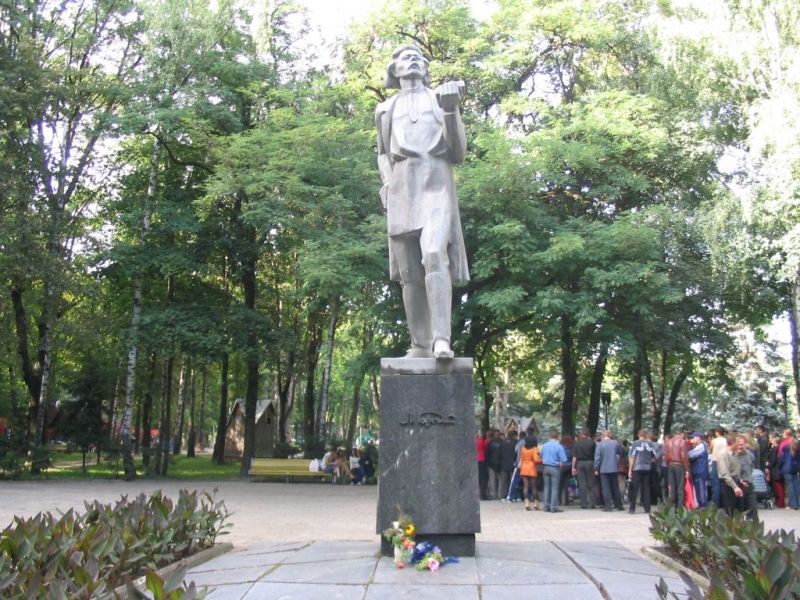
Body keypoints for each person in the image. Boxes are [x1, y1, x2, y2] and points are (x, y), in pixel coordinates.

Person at [375, 45, 469, 359]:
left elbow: (457, 153)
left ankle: (441, 340)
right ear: (395, 70)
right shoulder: (385, 109)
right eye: (404, 57)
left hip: (436, 185)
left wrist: (450, 110)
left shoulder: (440, 98)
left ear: (426, 69)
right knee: (408, 273)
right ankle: (419, 345)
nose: (413, 58)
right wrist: (387, 181)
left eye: (419, 56)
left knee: (433, 253)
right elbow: (381, 153)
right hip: (402, 187)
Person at [718, 435, 758, 520]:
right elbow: (725, 473)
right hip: (732, 485)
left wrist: (740, 480)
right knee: (733, 511)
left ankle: (753, 528)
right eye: (738, 444)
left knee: (752, 508)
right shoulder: (726, 454)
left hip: (745, 484)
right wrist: (736, 486)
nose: (740, 446)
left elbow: (750, 468)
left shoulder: (748, 454)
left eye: (742, 444)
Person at [594, 431, 624, 511]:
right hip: (614, 468)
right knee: (615, 487)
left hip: (603, 469)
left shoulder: (600, 444)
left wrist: (596, 468)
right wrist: (617, 459)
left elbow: (597, 458)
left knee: (605, 488)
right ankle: (619, 505)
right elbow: (621, 452)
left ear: (603, 436)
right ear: (610, 435)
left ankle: (608, 506)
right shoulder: (615, 443)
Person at [628, 429, 656, 514]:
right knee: (646, 488)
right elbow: (654, 457)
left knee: (635, 488)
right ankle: (647, 508)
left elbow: (632, 457)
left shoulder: (635, 443)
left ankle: (632, 508)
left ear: (638, 435)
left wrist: (630, 469)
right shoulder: (650, 444)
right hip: (647, 468)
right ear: (646, 435)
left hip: (637, 468)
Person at [540, 429, 568, 513]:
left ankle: (546, 506)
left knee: (546, 487)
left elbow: (541, 456)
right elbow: (563, 459)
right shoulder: (559, 446)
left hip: (545, 468)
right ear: (557, 437)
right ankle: (553, 507)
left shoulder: (544, 445)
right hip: (555, 468)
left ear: (550, 436)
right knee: (555, 488)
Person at [664, 431, 690, 510]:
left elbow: (666, 455)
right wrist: (686, 469)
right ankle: (679, 509)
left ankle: (671, 508)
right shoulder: (682, 442)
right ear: (681, 434)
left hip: (671, 464)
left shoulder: (669, 441)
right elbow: (683, 456)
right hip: (679, 465)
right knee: (680, 488)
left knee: (672, 487)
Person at [572, 428, 596, 509]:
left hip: (580, 463)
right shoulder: (592, 443)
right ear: (588, 434)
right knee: (591, 483)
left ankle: (583, 503)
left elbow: (574, 457)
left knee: (582, 484)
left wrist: (573, 467)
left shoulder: (577, 443)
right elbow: (595, 455)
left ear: (581, 434)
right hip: (590, 463)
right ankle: (592, 503)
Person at [519, 433, 542, 511]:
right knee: (533, 487)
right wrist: (542, 460)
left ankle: (526, 503)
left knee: (525, 486)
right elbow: (536, 460)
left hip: (524, 468)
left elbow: (521, 459)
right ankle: (536, 503)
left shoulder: (523, 448)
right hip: (531, 468)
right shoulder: (534, 449)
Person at [777, 428, 799, 510]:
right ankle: (797, 503)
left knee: (790, 487)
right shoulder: (796, 443)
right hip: (795, 467)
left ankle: (792, 505)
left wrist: (779, 466)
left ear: (786, 434)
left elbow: (781, 457)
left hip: (786, 468)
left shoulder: (784, 444)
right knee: (795, 486)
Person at [688, 432, 709, 508]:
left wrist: (683, 453)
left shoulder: (701, 447)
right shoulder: (700, 446)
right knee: (698, 490)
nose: (691, 440)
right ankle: (701, 506)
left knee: (701, 491)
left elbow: (690, 455)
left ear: (698, 438)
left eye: (693, 438)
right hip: (698, 471)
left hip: (700, 471)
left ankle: (703, 507)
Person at [709, 427, 728, 507]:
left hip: (715, 461)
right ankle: (724, 502)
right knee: (724, 482)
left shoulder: (714, 441)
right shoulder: (726, 440)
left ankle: (715, 504)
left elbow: (710, 450)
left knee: (715, 483)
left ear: (717, 432)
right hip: (724, 462)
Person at [766, 432, 785, 508]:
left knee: (778, 487)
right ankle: (780, 502)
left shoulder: (774, 448)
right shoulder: (778, 447)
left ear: (773, 439)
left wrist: (768, 465)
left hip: (775, 470)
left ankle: (780, 503)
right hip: (779, 469)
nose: (769, 440)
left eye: (770, 438)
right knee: (780, 486)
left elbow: (773, 460)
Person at [500, 430, 518, 500]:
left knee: (503, 481)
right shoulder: (514, 444)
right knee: (512, 481)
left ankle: (502, 495)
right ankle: (511, 495)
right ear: (513, 436)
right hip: (511, 464)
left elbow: (500, 453)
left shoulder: (503, 443)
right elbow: (515, 454)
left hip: (504, 464)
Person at [486, 430, 502, 500]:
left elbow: (487, 452)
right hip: (497, 463)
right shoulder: (502, 442)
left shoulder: (490, 443)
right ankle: (498, 494)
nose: (497, 435)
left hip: (492, 463)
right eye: (496, 434)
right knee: (498, 479)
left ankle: (494, 494)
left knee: (493, 479)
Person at [476, 432, 489, 500]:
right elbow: (485, 449)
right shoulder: (481, 441)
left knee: (478, 478)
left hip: (475, 460)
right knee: (483, 478)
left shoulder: (474, 441)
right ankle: (483, 495)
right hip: (482, 459)